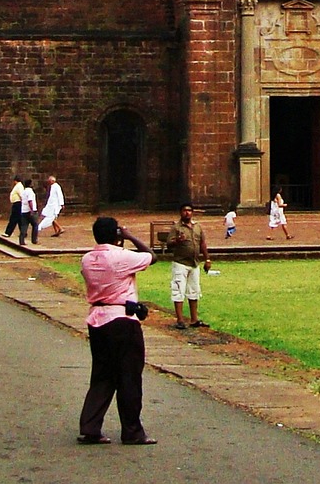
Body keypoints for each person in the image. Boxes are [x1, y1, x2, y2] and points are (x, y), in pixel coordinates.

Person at [78, 216, 157, 445]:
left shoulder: (87, 259)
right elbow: (152, 256)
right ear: (116, 235)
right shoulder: (120, 257)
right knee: (129, 376)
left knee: (102, 376)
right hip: (122, 320)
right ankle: (132, 430)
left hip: (97, 319)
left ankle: (90, 426)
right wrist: (130, 236)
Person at [166, 204, 210, 329]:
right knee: (178, 290)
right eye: (185, 210)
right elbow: (169, 244)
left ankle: (194, 319)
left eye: (189, 211)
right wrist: (177, 241)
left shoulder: (197, 227)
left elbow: (202, 243)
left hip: (194, 263)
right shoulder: (176, 227)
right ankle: (180, 319)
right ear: (180, 212)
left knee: (194, 291)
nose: (187, 213)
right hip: (180, 263)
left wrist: (207, 259)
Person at [41, 173, 65, 238]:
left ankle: (60, 228)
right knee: (52, 217)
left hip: (55, 205)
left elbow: (60, 195)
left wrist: (61, 204)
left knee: (52, 218)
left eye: (49, 180)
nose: (49, 182)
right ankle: (56, 231)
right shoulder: (52, 186)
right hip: (51, 204)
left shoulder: (57, 186)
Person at [5, 174, 28, 243]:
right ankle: (23, 232)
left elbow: (22, 195)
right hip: (17, 203)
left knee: (13, 218)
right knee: (19, 220)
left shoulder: (19, 186)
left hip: (18, 203)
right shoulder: (18, 186)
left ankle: (8, 232)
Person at [19, 176, 40, 245]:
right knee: (35, 225)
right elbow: (30, 201)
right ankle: (34, 239)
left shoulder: (23, 192)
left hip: (24, 210)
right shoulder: (30, 192)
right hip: (30, 211)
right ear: (30, 184)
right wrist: (32, 210)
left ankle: (21, 240)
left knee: (24, 226)